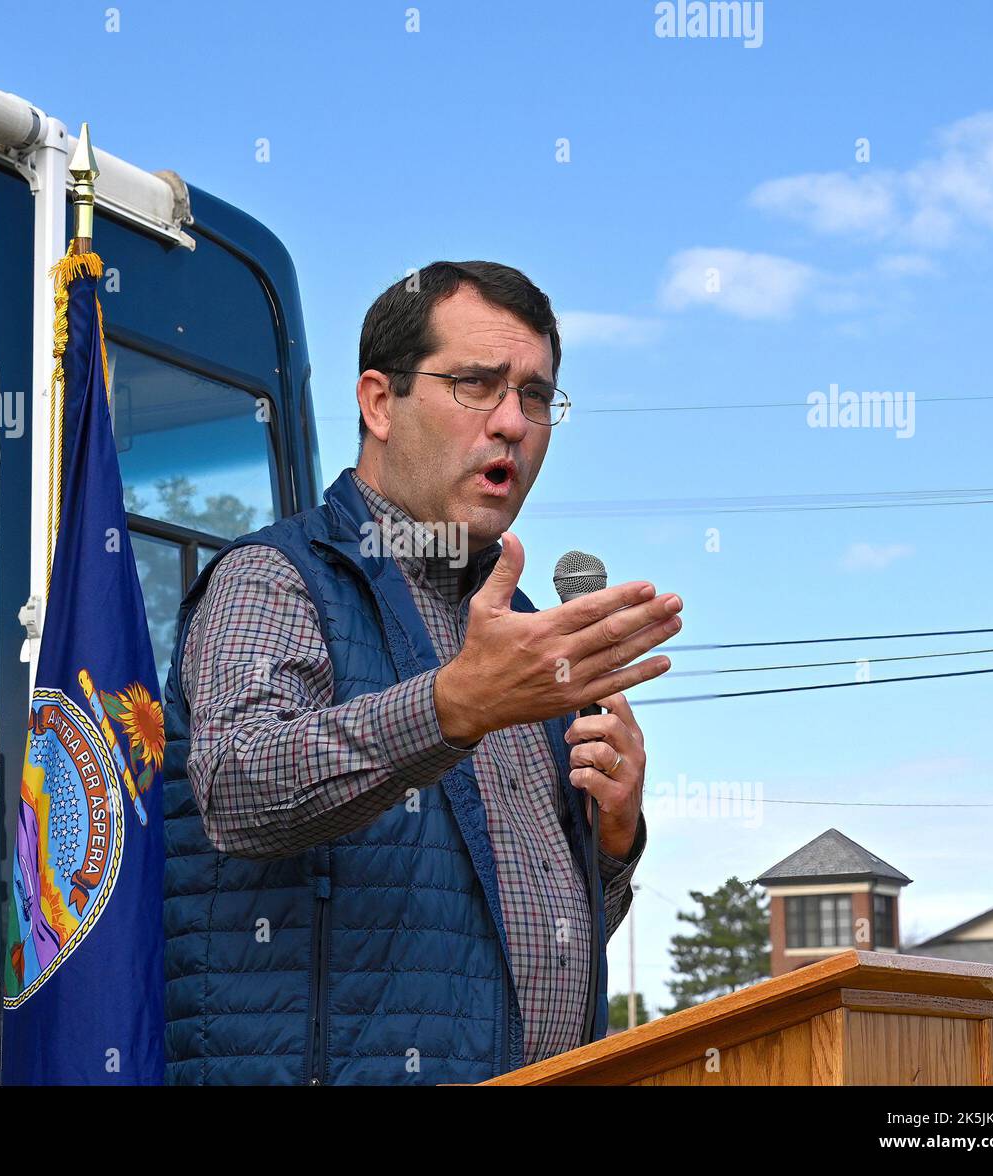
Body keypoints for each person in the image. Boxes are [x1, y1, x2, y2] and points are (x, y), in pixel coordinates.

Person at [161, 260, 683, 1085]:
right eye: (476, 384)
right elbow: (235, 787)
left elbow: (524, 942)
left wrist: (613, 844)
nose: (512, 422)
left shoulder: (524, 639)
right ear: (378, 402)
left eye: (537, 396)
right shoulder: (277, 577)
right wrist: (451, 707)